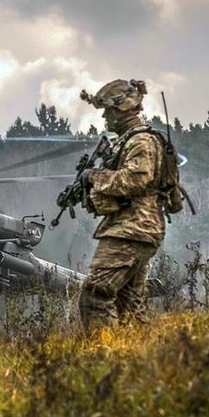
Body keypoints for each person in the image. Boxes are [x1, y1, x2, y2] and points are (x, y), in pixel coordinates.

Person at [76, 79, 168, 333]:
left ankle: (103, 358)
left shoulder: (141, 141)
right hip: (137, 228)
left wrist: (95, 177)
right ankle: (145, 362)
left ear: (122, 110)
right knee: (129, 305)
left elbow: (136, 179)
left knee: (95, 294)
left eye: (109, 110)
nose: (105, 116)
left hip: (132, 228)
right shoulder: (129, 141)